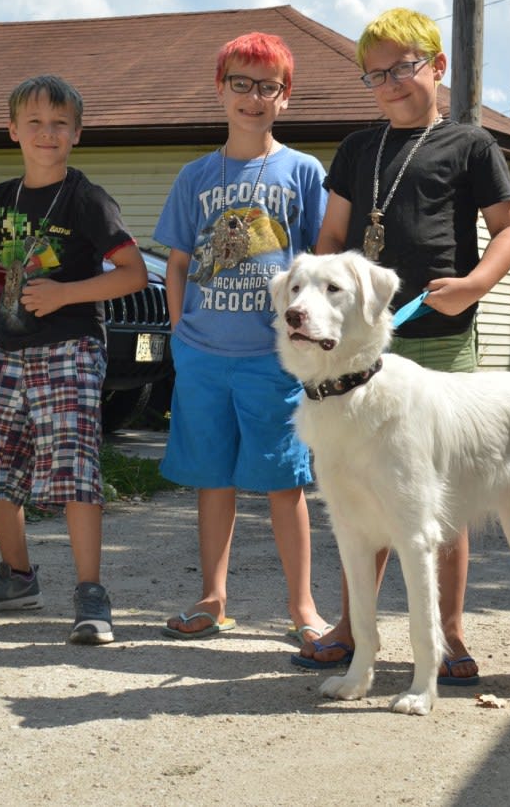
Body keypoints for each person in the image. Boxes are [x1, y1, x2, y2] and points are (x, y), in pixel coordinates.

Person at [294, 7, 510, 682]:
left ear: (437, 67)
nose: (391, 83)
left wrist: (477, 284)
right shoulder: (356, 148)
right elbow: (331, 240)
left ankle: (449, 635)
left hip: (438, 340)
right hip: (360, 355)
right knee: (355, 494)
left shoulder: (470, 144)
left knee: (441, 498)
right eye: (375, 75)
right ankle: (349, 628)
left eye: (404, 68)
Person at [0, 74, 148, 645]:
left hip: (72, 349)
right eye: (34, 123)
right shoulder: (2, 200)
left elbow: (134, 273)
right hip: (7, 350)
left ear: (76, 133)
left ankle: (90, 593)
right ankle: (17, 578)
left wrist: (64, 294)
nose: (46, 134)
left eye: (58, 124)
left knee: (74, 466)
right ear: (13, 131)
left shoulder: (86, 199)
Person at [154, 31, 329, 643]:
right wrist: (180, 333)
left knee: (286, 482)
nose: (253, 98)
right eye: (241, 84)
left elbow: (319, 261)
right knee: (213, 479)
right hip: (202, 355)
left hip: (273, 358)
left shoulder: (304, 171)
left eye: (268, 87)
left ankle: (303, 609)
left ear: (287, 97)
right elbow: (177, 262)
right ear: (220, 89)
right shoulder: (197, 174)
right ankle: (212, 599)